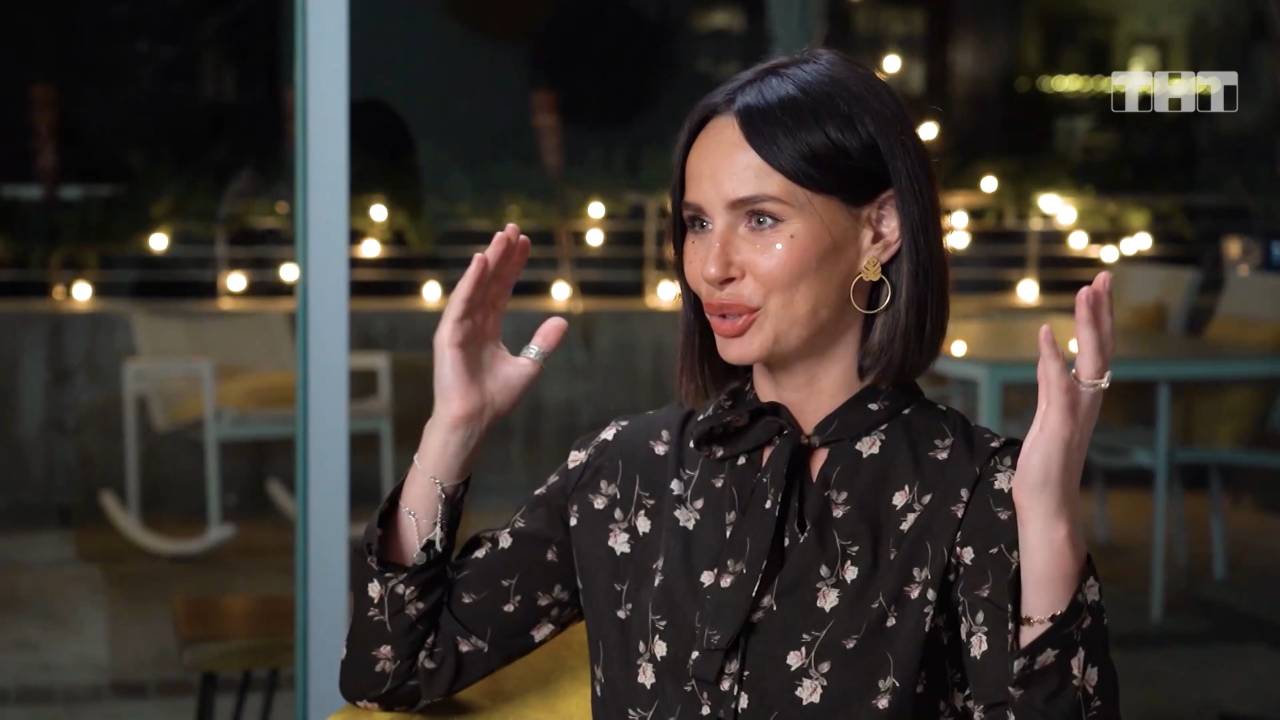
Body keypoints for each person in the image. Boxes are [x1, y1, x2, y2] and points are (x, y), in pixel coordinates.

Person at [340, 48, 1121, 718]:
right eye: (698, 222)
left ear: (879, 228)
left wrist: (1049, 520)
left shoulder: (974, 493)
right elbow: (391, 668)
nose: (713, 267)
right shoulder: (625, 473)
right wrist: (455, 427)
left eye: (760, 219)